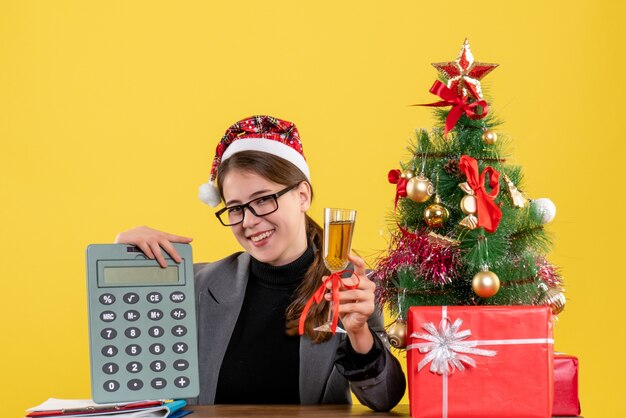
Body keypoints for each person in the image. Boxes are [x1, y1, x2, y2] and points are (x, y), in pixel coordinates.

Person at [115, 115, 406, 411]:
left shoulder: (349, 285)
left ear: (302, 195)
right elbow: (128, 348)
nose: (250, 221)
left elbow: (384, 399)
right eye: (235, 208)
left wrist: (359, 333)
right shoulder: (198, 285)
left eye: (264, 199)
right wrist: (122, 252)